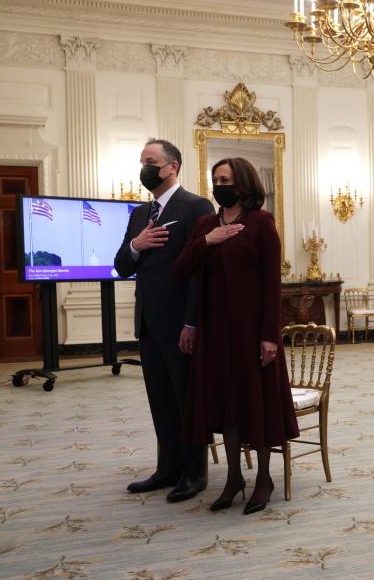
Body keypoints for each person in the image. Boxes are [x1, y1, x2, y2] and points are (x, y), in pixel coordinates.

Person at [174, 157, 299, 515]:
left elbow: (270, 284)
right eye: (215, 179)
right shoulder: (204, 224)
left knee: (253, 402)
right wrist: (207, 242)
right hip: (214, 332)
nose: (219, 185)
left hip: (251, 332)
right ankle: (232, 477)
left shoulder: (261, 223)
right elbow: (181, 269)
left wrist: (270, 337)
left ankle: (263, 478)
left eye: (225, 179)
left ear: (242, 184)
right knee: (226, 405)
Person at [114, 138, 215, 502]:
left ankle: (194, 473)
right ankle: (166, 468)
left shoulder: (196, 207)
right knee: (160, 399)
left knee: (186, 399)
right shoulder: (140, 215)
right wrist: (135, 245)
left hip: (180, 325)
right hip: (148, 323)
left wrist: (192, 322)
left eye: (150, 161)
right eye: (142, 160)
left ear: (172, 166)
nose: (145, 167)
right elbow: (122, 266)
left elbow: (200, 272)